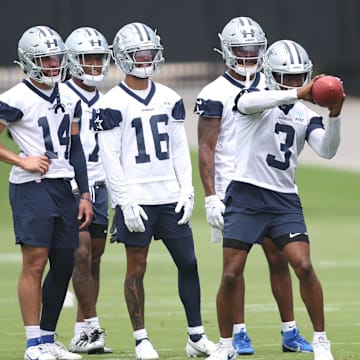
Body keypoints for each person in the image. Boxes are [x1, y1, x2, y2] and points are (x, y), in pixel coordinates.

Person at [208, 39, 343, 360]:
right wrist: (297, 93)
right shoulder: (251, 98)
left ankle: (321, 340)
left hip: (284, 201)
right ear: (271, 74)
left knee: (304, 266)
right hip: (246, 194)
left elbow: (327, 150)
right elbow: (252, 102)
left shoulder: (304, 114)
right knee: (230, 273)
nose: (296, 83)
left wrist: (335, 115)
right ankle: (226, 345)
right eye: (289, 77)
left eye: (300, 77)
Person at [95, 22, 216, 360]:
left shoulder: (170, 97)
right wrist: (124, 200)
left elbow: (180, 149)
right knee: (137, 267)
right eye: (138, 53)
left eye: (149, 52)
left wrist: (187, 190)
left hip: (168, 194)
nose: (146, 58)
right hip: (137, 198)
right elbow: (110, 157)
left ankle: (196, 336)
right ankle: (141, 339)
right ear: (123, 56)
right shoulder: (112, 102)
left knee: (188, 262)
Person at [196, 16, 312, 355]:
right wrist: (211, 195)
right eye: (241, 50)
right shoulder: (214, 92)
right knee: (235, 266)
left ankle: (290, 331)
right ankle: (239, 331)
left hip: (268, 184)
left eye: (254, 50)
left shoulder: (272, 82)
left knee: (280, 258)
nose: (248, 56)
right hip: (233, 189)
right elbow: (207, 146)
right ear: (227, 51)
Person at [0, 26, 93, 360]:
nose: (53, 64)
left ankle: (49, 337)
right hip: (32, 189)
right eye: (45, 59)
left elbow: (76, 147)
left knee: (65, 263)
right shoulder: (15, 97)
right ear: (29, 61)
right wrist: (20, 160)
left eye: (56, 57)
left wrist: (84, 194)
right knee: (35, 264)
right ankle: (32, 344)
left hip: (64, 187)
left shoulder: (69, 95)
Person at [64, 27, 112, 354]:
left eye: (98, 58)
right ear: (72, 60)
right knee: (79, 255)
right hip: (69, 186)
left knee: (94, 259)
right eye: (87, 58)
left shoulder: (107, 100)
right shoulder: (60, 95)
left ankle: (82, 332)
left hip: (100, 183)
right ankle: (92, 328)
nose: (94, 64)